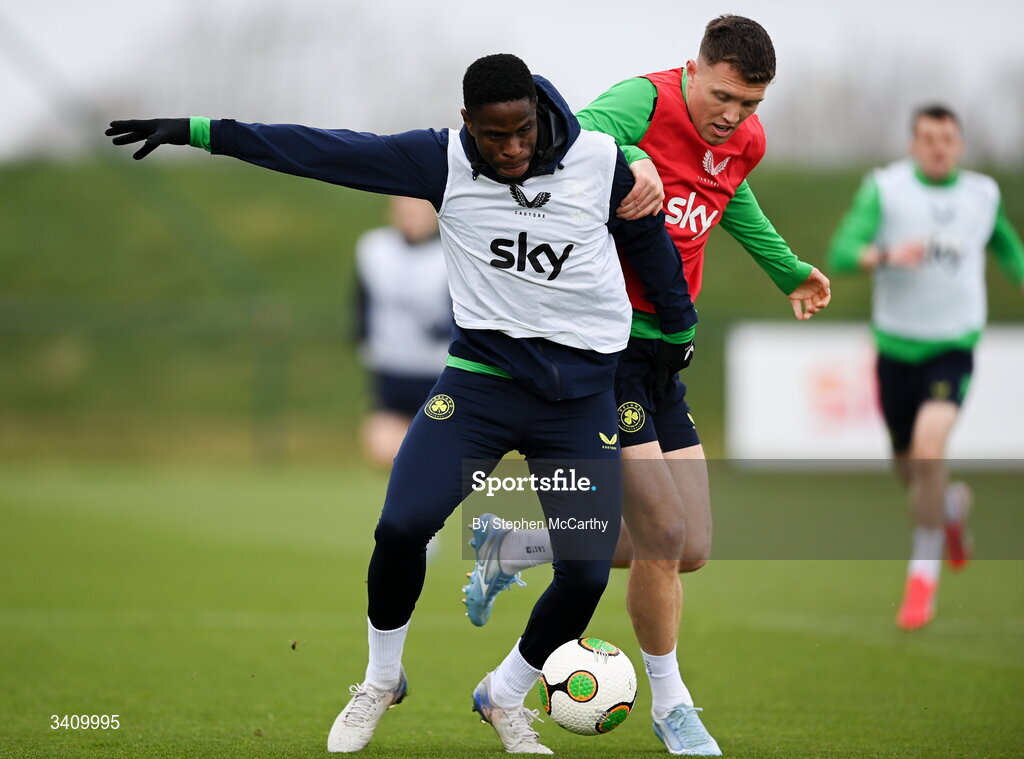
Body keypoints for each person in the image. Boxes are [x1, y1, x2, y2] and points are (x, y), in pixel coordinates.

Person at [106, 53, 698, 755]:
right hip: (480, 385)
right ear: (466, 125)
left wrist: (679, 330)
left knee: (586, 573)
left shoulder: (602, 163)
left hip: (579, 399)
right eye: (491, 135)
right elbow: (322, 151)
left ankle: (504, 694)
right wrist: (202, 131)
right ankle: (381, 679)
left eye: (521, 132)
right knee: (400, 527)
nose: (509, 148)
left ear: (539, 116)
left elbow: (653, 252)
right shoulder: (437, 161)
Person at [460, 16, 831, 756]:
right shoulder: (642, 101)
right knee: (662, 532)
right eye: (724, 96)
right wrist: (632, 157)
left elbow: (734, 202)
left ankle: (517, 553)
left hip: (666, 353)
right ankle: (673, 705)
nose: (733, 116)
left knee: (689, 545)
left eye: (751, 104)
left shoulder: (744, 142)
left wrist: (788, 268)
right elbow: (568, 137)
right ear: (694, 70)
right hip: (610, 342)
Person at [827, 104, 1024, 630]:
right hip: (896, 349)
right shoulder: (886, 189)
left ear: (959, 145)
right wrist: (887, 255)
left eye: (948, 139)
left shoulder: (982, 195)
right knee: (911, 471)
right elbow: (843, 251)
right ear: (913, 144)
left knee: (929, 449)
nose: (939, 147)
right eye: (928, 138)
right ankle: (953, 508)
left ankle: (922, 577)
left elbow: (1009, 249)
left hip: (953, 345)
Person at [354, 196, 451, 468]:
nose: (410, 218)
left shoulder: (451, 251)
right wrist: (363, 340)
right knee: (384, 452)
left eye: (417, 211)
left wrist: (444, 327)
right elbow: (361, 301)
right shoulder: (374, 247)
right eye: (403, 210)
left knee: (438, 453)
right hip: (391, 368)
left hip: (438, 371)